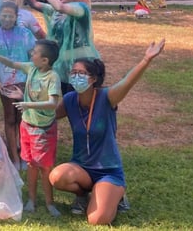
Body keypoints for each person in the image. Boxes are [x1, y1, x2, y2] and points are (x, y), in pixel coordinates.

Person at [50, 39, 165, 225]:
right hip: (81, 168)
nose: (76, 76)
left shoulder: (107, 97)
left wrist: (146, 60)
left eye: (81, 73)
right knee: (57, 177)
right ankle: (83, 195)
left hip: (108, 171)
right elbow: (48, 116)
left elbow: (127, 82)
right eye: (73, 73)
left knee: (97, 219)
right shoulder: (70, 99)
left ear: (93, 79)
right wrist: (27, 99)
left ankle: (115, 194)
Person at [0, 39, 63, 217]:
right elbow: (11, 63)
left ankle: (50, 202)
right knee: (32, 164)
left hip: (43, 129)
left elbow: (52, 103)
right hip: (27, 126)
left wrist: (28, 104)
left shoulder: (52, 77)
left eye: (35, 52)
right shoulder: (31, 68)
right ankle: (31, 200)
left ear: (45, 60)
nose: (31, 53)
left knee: (45, 167)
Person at [0, 1, 37, 168]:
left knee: (23, 118)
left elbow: (33, 57)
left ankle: (25, 153)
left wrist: (31, 80)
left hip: (23, 81)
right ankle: (14, 157)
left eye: (10, 16)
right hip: (5, 83)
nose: (7, 19)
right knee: (9, 118)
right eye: (4, 15)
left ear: (16, 17)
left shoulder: (25, 33)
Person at [24, 0, 100, 93]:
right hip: (62, 65)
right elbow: (35, 4)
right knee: (65, 99)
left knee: (79, 98)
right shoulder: (57, 12)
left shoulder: (81, 9)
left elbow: (59, 6)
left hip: (81, 63)